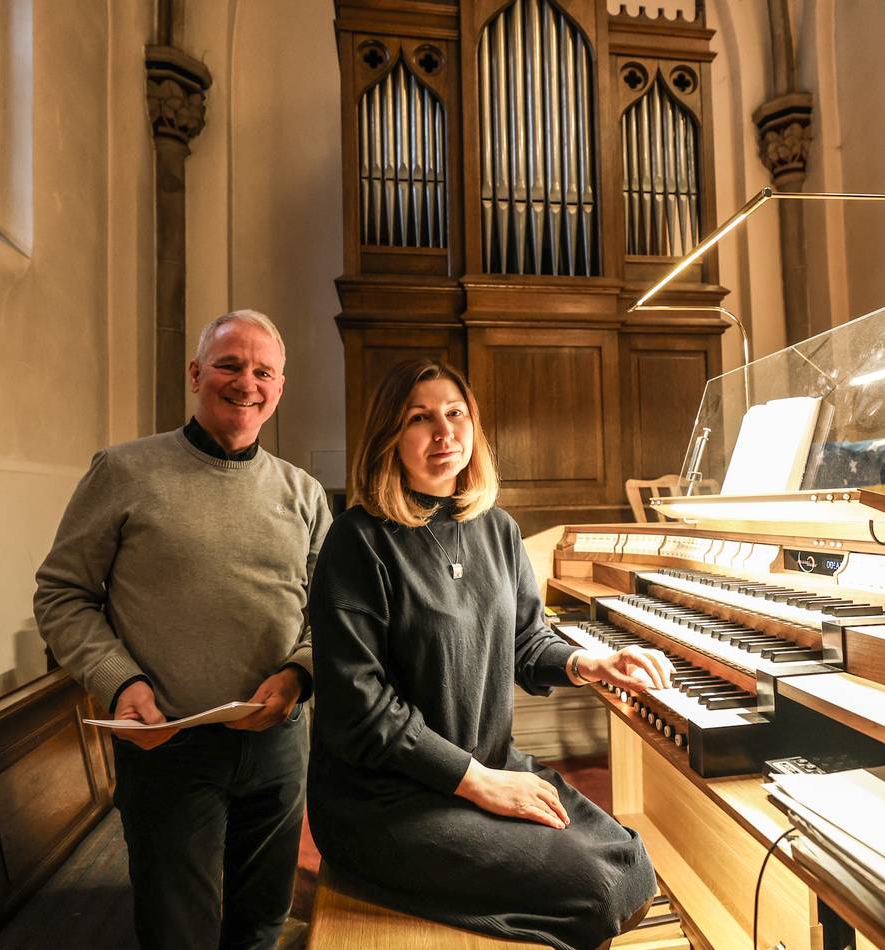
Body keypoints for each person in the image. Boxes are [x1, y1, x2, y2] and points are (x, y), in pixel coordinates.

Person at [307, 359, 673, 950]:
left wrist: (588, 663)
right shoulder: (357, 541)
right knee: (596, 891)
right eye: (419, 419)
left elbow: (526, 640)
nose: (444, 434)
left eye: (456, 415)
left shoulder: (497, 529)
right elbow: (362, 713)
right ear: (389, 439)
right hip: (387, 799)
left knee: (631, 865)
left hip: (488, 765)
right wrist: (477, 782)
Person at [34, 310, 332, 950]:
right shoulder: (124, 471)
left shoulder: (304, 493)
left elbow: (332, 617)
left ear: (280, 389)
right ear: (196, 373)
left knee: (261, 922)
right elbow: (63, 594)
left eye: (263, 371)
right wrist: (119, 682)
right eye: (229, 364)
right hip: (165, 745)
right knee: (179, 934)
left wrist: (299, 673)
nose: (245, 382)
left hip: (277, 743)